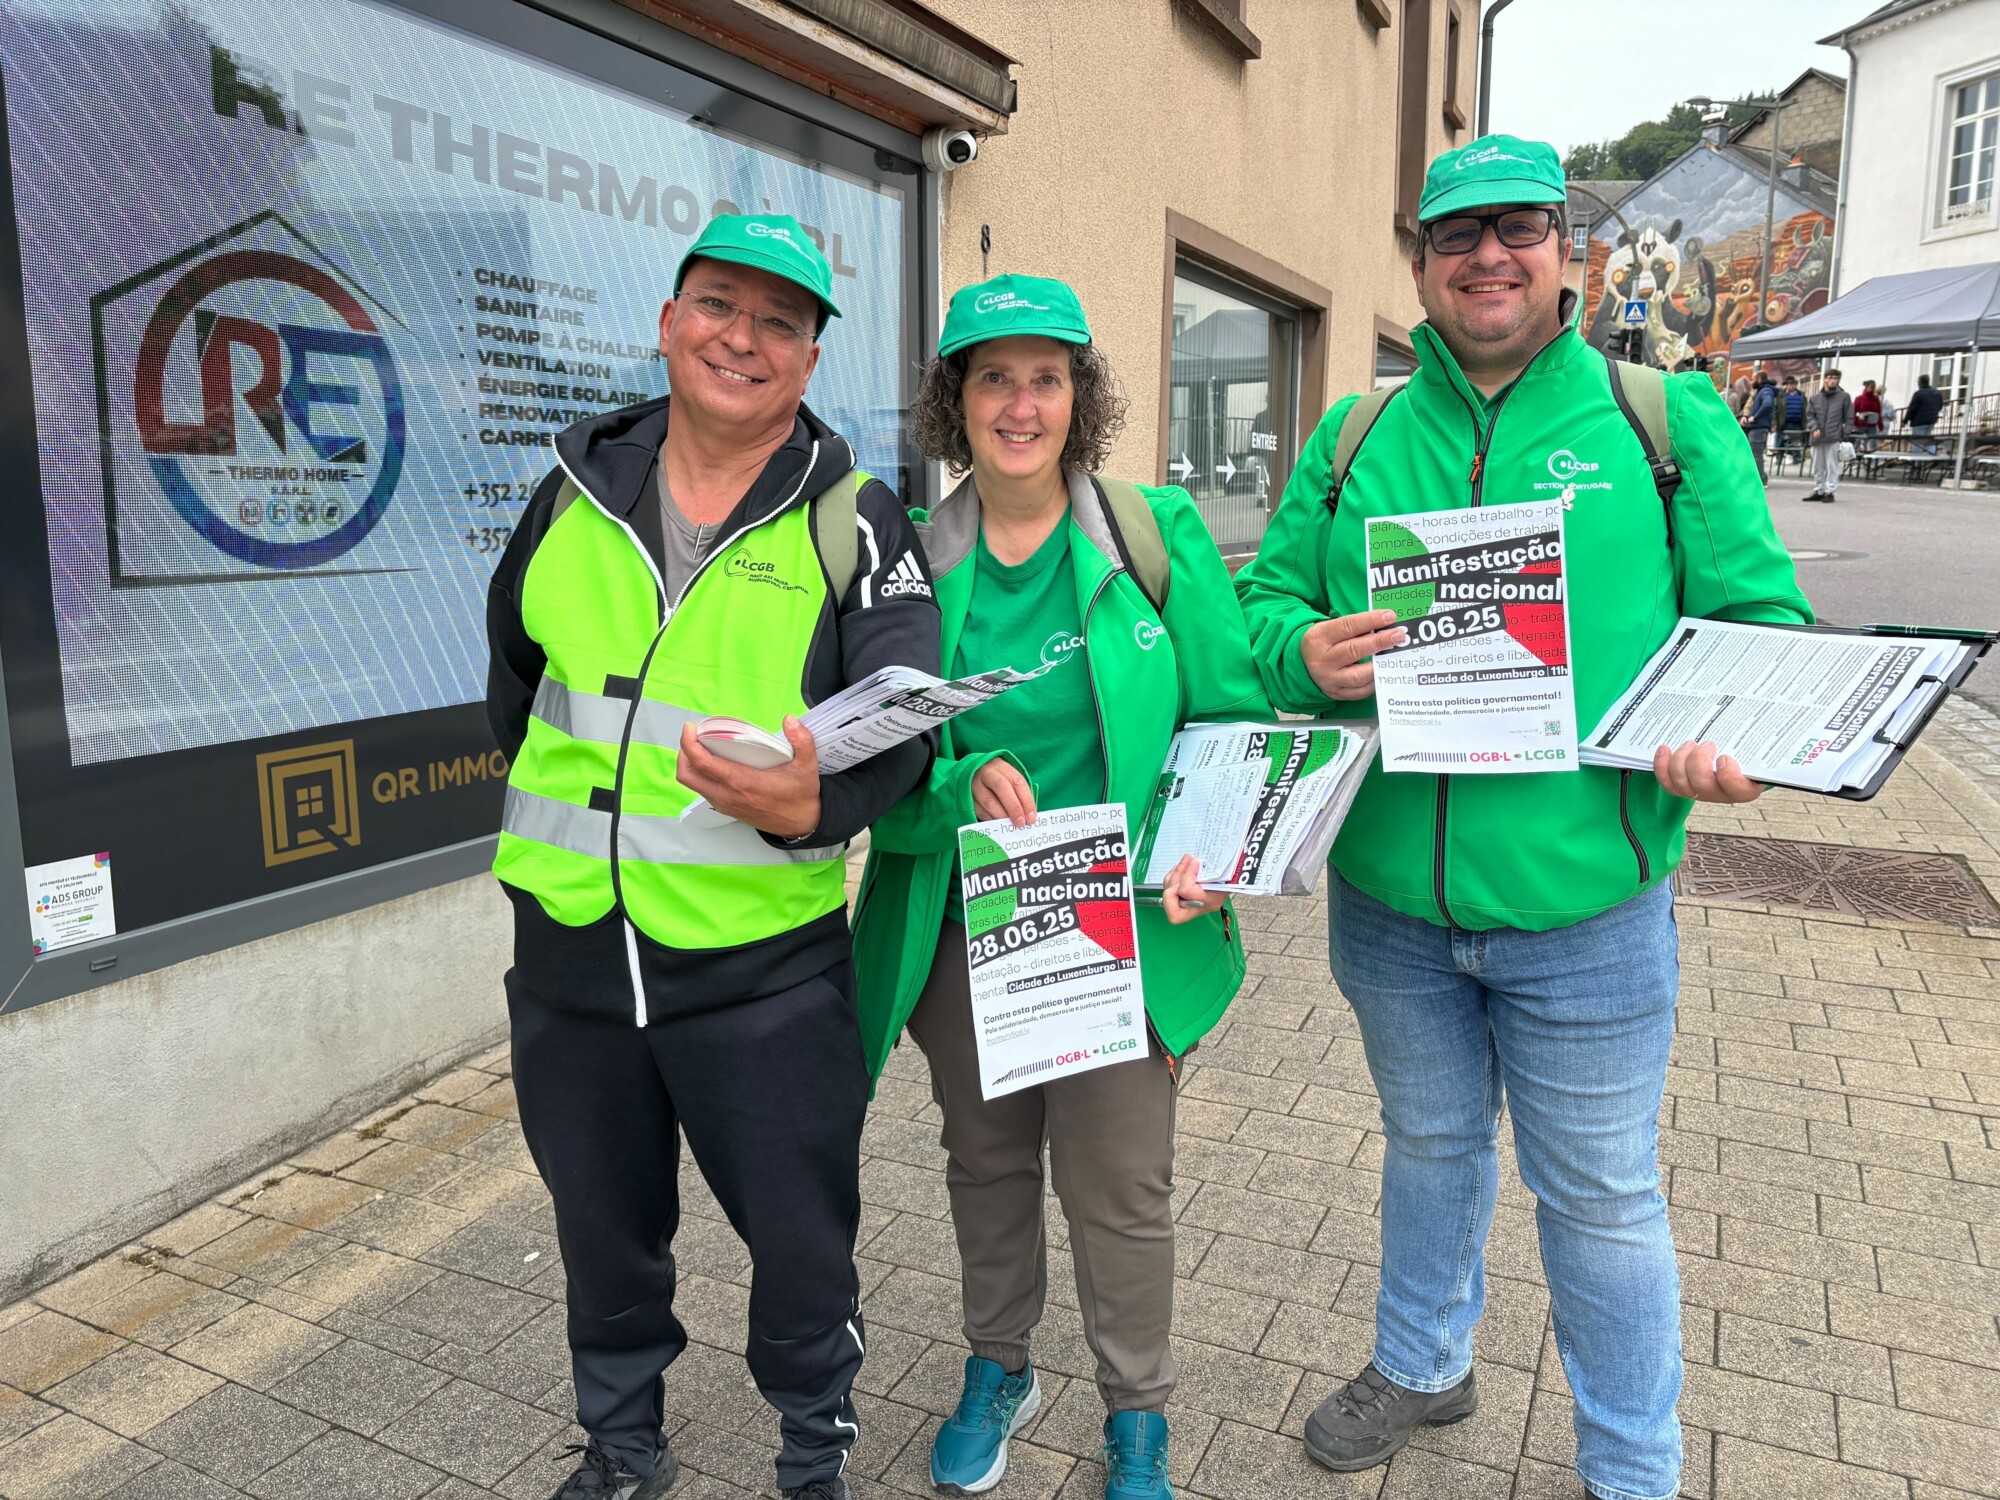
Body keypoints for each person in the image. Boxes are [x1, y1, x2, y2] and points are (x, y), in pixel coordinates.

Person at [1233, 135, 1811, 1500]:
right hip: (1393, 906)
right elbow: (1258, 608)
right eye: (1456, 234)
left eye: (1517, 228)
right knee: (1429, 1149)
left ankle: (1632, 1467)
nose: (1487, 255)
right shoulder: (1355, 435)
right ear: (1419, 264)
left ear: (1566, 250)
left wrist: (1731, 745)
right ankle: (1423, 1365)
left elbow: (1762, 628)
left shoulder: (1660, 422)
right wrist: (1298, 653)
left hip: (1587, 912)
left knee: (1599, 1199)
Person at [486, 213, 942, 1500]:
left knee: (800, 1248)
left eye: (779, 322)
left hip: (763, 977)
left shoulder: (854, 515)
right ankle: (622, 1446)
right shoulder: (566, 493)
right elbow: (517, 691)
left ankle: (812, 1455)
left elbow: (906, 716)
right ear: (669, 320)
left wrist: (815, 801)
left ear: (809, 359)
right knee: (600, 1235)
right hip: (569, 958)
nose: (742, 338)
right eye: (719, 305)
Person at [851, 275, 1272, 1500]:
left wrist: (1209, 852)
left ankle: (1135, 1413)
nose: (1020, 405)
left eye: (1045, 379)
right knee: (984, 1164)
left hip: (1122, 930)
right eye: (993, 379)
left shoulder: (1150, 535)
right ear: (956, 400)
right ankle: (998, 1365)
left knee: (1119, 1187)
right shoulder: (906, 562)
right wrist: (954, 787)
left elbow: (1229, 719)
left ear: (1078, 397)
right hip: (962, 928)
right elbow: (876, 772)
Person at [1804, 367, 1855, 503]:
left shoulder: (1844, 397)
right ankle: (1818, 489)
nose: (1832, 380)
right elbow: (1810, 415)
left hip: (1833, 436)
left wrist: (1845, 433)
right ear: (1825, 379)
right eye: (1830, 377)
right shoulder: (1815, 398)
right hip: (1817, 437)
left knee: (1832, 465)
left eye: (1835, 378)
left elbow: (1849, 417)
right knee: (1818, 465)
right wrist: (1814, 427)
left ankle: (1830, 491)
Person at [1742, 370, 1776, 482]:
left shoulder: (1765, 391)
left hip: (1758, 427)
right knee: (1755, 452)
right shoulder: (1761, 391)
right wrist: (1746, 417)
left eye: (1753, 379)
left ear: (1759, 379)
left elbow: (1767, 404)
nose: (1751, 382)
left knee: (1756, 453)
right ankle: (1759, 477)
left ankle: (1760, 478)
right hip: (1757, 427)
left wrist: (1755, 417)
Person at [1908, 372, 1944, 453]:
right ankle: (1931, 455)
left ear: (1920, 382)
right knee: (1928, 439)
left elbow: (1912, 408)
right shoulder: (1937, 393)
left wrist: (1905, 420)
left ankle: (1917, 458)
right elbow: (1940, 406)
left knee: (1917, 441)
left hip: (1919, 421)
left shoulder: (1918, 394)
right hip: (1931, 420)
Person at [1854, 377, 1883, 452]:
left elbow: (1879, 412)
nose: (1872, 389)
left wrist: (1880, 425)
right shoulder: (1859, 398)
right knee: (1857, 442)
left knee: (1873, 444)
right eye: (1871, 387)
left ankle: (1873, 458)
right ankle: (1853, 457)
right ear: (1867, 387)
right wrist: (1854, 423)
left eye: (1874, 387)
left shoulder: (1876, 399)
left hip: (1872, 425)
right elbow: (1854, 411)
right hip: (1861, 424)